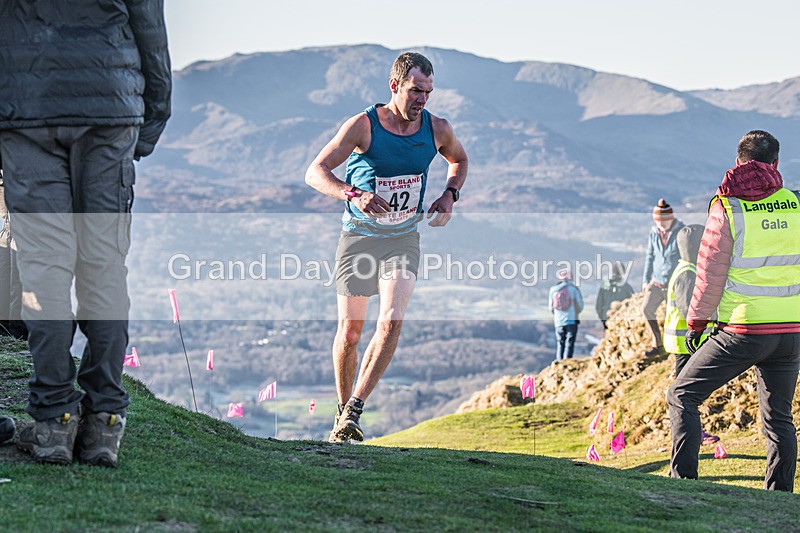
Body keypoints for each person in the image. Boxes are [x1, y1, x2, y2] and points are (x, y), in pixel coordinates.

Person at [0, 0, 171, 467]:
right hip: (110, 104)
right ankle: (103, 425)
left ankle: (54, 421)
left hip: (22, 108)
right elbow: (150, 31)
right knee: (103, 268)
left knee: (43, 273)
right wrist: (150, 119)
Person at [305, 51, 468, 443]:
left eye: (428, 92)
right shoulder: (362, 126)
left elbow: (459, 160)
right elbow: (315, 172)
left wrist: (450, 195)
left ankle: (355, 409)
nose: (422, 100)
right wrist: (351, 193)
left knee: (392, 319)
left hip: (402, 238)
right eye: (415, 91)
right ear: (394, 86)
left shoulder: (437, 129)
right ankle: (343, 417)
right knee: (350, 331)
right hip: (360, 238)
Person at [668, 130, 800, 491]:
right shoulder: (797, 203)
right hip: (791, 332)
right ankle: (780, 495)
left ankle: (683, 483)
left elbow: (709, 272)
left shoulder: (726, 206)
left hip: (743, 331)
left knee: (682, 394)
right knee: (779, 419)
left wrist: (695, 322)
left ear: (739, 161)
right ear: (775, 163)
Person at [663, 224, 719, 445]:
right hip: (684, 343)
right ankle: (690, 435)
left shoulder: (685, 268)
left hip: (684, 342)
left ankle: (691, 434)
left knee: (685, 393)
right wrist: (715, 316)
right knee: (686, 395)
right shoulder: (687, 273)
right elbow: (690, 310)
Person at [641, 199, 685, 356]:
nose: (660, 223)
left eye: (663, 220)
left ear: (670, 218)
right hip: (657, 282)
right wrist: (646, 280)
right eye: (657, 220)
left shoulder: (681, 232)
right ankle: (657, 343)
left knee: (671, 315)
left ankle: (670, 346)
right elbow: (649, 257)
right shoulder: (654, 233)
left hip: (674, 284)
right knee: (646, 309)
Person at [548, 269, 584, 361]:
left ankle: (559, 362)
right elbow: (580, 305)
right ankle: (567, 361)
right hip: (571, 319)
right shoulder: (573, 289)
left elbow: (550, 308)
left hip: (558, 321)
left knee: (560, 343)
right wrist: (575, 313)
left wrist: (557, 315)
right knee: (570, 342)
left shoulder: (553, 290)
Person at [595, 264, 634, 329]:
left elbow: (598, 305)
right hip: (622, 320)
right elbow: (633, 304)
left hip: (607, 319)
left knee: (609, 337)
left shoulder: (604, 286)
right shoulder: (627, 287)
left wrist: (603, 318)